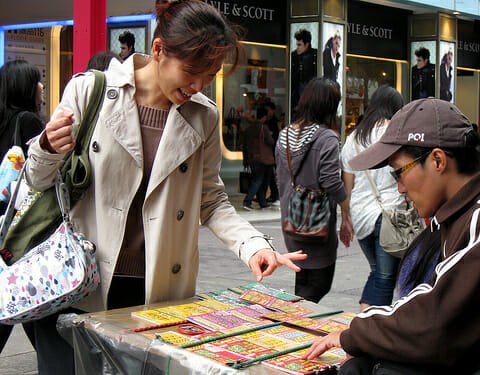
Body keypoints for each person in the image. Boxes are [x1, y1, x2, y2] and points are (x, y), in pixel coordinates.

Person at [24, 1, 306, 373]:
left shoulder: (203, 115)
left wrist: (253, 246)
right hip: (79, 281)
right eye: (191, 72)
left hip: (155, 293)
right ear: (158, 50)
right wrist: (45, 148)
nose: (198, 85)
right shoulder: (91, 91)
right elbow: (37, 181)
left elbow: (211, 198)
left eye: (210, 75)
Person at [303, 98, 480, 374]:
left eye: (400, 173)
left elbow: (433, 319)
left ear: (438, 160)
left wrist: (355, 333)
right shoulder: (451, 217)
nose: (400, 189)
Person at [275, 77, 353, 303]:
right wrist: (346, 214)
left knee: (305, 280)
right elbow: (331, 182)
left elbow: (280, 179)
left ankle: (296, 323)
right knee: (319, 284)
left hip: (292, 219)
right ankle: (291, 320)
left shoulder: (285, 135)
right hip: (317, 223)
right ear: (329, 106)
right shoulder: (327, 138)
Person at [339, 85, 405, 310]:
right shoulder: (394, 133)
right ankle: (369, 322)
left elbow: (347, 184)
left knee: (379, 272)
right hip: (389, 212)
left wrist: (345, 218)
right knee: (385, 277)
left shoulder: (354, 138)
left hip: (361, 214)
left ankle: (369, 320)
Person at [0, 60, 44, 354]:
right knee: (28, 305)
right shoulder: (27, 121)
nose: (41, 87)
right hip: (16, 228)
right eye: (38, 81)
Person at [241, 106, 275, 210]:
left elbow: (244, 145)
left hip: (252, 158)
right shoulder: (263, 128)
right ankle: (247, 201)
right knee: (259, 180)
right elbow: (271, 142)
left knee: (258, 180)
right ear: (264, 117)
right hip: (263, 159)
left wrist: (245, 160)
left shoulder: (248, 128)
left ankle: (263, 203)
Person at [290, 29, 317, 118]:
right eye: (297, 44)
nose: (297, 47)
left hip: (310, 95)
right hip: (296, 97)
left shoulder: (315, 55)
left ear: (306, 44)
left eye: (299, 45)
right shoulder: (293, 56)